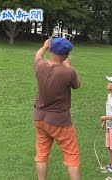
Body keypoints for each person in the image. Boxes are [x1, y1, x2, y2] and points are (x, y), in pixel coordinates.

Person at [33, 38, 81, 180]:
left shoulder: (39, 65)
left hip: (39, 117)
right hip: (59, 121)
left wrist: (44, 46)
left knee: (41, 154)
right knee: (72, 156)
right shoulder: (68, 72)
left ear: (51, 50)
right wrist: (68, 65)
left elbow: (38, 56)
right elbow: (76, 85)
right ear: (66, 54)